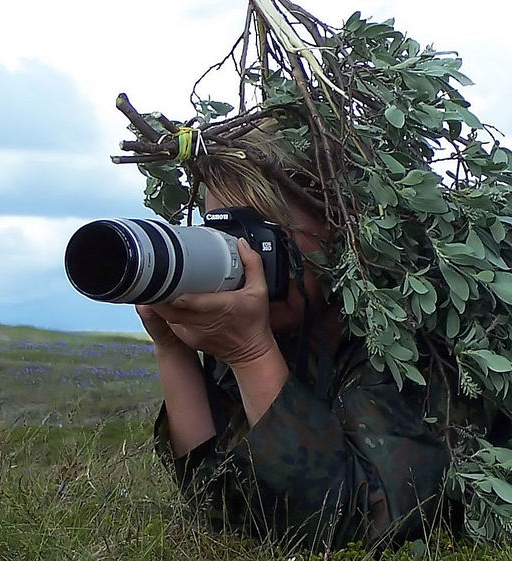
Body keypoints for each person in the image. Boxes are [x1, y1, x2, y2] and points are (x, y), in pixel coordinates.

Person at [135, 130, 450, 549]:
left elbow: (365, 528)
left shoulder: (399, 348)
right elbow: (217, 502)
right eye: (228, 237)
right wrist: (172, 346)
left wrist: (252, 356)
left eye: (266, 234)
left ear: (343, 227)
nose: (247, 260)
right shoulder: (275, 337)